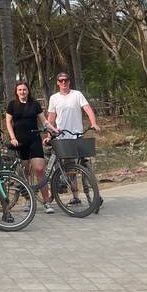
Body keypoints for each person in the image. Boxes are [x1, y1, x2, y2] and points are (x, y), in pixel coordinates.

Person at [46, 73, 102, 206]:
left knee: (85, 165)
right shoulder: (54, 98)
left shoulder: (77, 94)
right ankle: (75, 196)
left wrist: (93, 123)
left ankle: (94, 193)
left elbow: (87, 109)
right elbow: (51, 117)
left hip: (77, 134)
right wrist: (49, 134)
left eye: (66, 80)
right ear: (58, 83)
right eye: (61, 80)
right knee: (70, 167)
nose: (64, 82)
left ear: (69, 82)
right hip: (62, 136)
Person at [5, 80, 55, 214]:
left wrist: (53, 129)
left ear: (28, 91)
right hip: (20, 143)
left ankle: (46, 202)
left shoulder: (35, 104)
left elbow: (44, 121)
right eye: (20, 90)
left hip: (34, 140)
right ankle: (29, 201)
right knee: (25, 173)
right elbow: (8, 122)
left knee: (39, 170)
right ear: (16, 92)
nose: (22, 92)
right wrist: (13, 138)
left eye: (24, 89)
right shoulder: (12, 105)